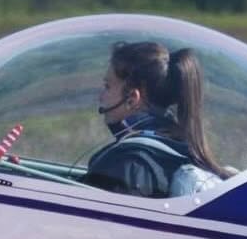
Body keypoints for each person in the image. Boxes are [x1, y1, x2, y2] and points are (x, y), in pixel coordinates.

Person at [85, 41, 226, 198]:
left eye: (107, 86)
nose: (101, 96)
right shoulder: (179, 146)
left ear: (132, 98)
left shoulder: (126, 163)